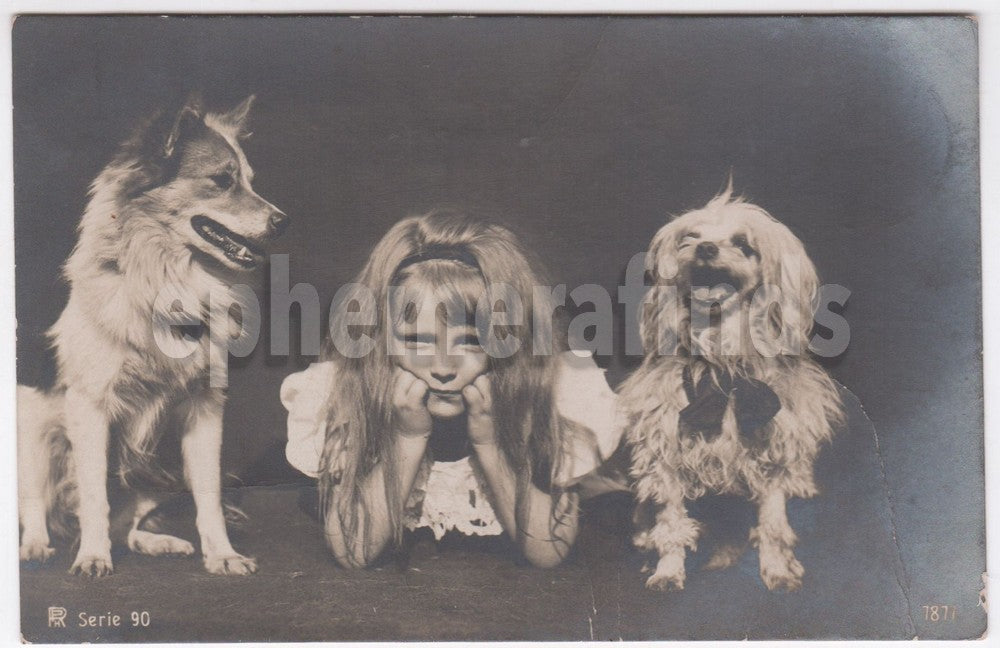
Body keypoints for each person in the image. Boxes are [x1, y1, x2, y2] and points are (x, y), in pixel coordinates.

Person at [281, 209, 622, 568]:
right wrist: (406, 438)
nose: (443, 368)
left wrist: (489, 442)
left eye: (472, 342)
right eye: (416, 341)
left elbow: (547, 552)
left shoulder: (553, 391)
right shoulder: (347, 392)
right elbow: (354, 552)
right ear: (379, 338)